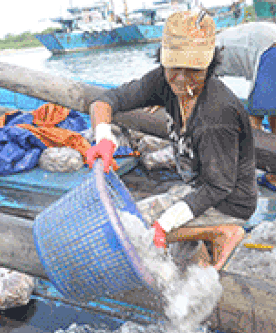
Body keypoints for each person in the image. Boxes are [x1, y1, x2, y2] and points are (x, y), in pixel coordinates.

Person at [85, 10, 257, 270]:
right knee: (132, 222)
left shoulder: (217, 114)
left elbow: (219, 188)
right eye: (174, 68)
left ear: (209, 65)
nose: (181, 80)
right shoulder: (163, 81)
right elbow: (107, 100)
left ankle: (221, 231)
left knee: (136, 227)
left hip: (229, 202)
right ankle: (200, 244)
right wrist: (103, 138)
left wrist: (165, 224)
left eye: (194, 71)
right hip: (197, 188)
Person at [214, 21, 276, 192]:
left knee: (252, 123)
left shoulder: (210, 52)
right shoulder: (227, 39)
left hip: (271, 51)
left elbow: (206, 92)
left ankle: (246, 178)